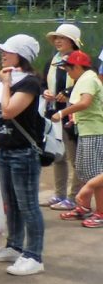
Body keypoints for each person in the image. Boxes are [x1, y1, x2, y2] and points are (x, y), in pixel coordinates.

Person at [0, 34, 46, 277]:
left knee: (28, 205)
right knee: (12, 203)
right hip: (6, 149)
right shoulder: (8, 81)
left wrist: (6, 83)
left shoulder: (29, 82)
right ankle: (14, 245)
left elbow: (8, 111)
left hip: (23, 151)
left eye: (8, 51)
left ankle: (34, 255)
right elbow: (0, 121)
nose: (3, 54)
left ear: (21, 55)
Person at [49, 50, 103, 226]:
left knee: (95, 173)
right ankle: (85, 207)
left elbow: (85, 102)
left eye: (69, 68)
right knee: (84, 170)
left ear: (78, 66)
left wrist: (62, 112)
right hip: (87, 129)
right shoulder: (85, 78)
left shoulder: (87, 79)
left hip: (95, 131)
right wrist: (74, 118)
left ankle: (101, 212)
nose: (67, 72)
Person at [42, 23, 83, 209]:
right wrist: (46, 92)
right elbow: (43, 82)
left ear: (72, 41)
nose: (57, 41)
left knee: (75, 158)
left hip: (73, 115)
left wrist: (68, 92)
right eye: (55, 38)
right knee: (58, 156)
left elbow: (86, 84)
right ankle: (59, 194)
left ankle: (75, 197)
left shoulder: (81, 61)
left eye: (62, 38)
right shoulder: (51, 61)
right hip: (55, 114)